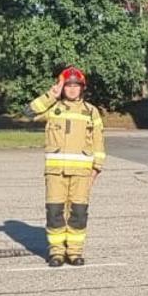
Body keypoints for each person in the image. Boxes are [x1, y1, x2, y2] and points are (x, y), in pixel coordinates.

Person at [29, 67, 106, 267]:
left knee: (78, 213)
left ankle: (74, 251)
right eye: (68, 85)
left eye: (76, 86)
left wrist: (96, 168)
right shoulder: (53, 109)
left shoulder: (91, 112)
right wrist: (50, 95)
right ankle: (56, 252)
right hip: (55, 173)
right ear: (62, 87)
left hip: (82, 174)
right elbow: (28, 113)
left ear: (82, 88)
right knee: (54, 212)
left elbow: (98, 143)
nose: (72, 90)